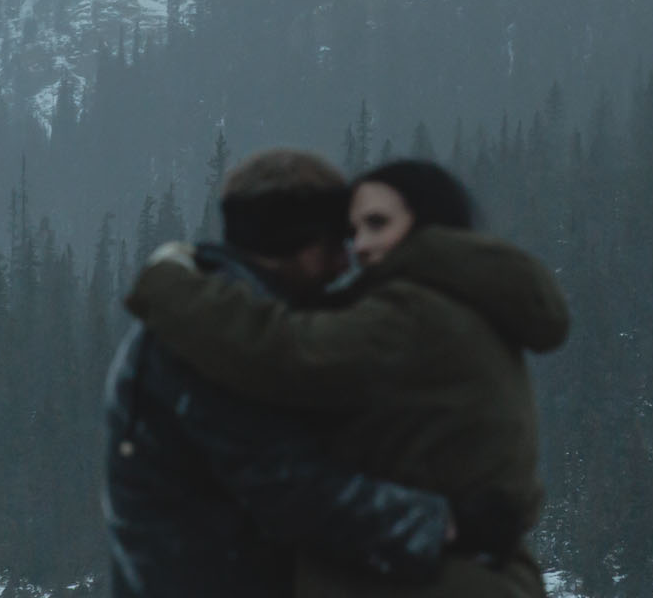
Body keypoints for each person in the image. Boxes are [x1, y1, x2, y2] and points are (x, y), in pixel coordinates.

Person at [128, 158, 569, 598]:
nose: (359, 246)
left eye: (377, 224)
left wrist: (169, 284)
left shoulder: (414, 312)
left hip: (427, 581)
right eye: (353, 231)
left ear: (429, 223)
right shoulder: (463, 301)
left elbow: (283, 350)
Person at [104, 147, 457, 598]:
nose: (345, 262)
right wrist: (443, 524)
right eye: (334, 242)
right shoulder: (214, 342)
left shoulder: (218, 318)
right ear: (298, 241)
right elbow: (287, 490)